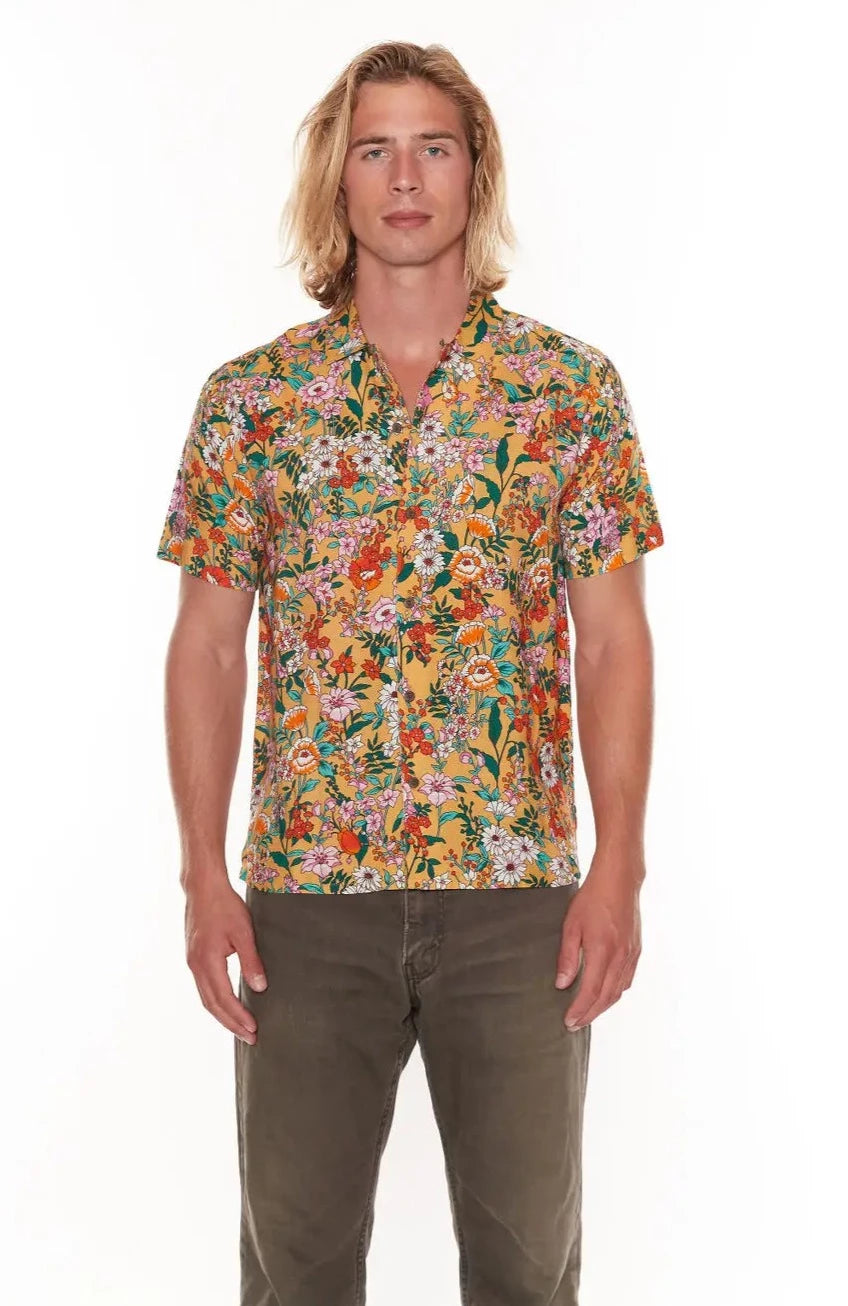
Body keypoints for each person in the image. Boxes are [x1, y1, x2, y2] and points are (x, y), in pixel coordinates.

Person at [156, 39, 665, 1306]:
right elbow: (207, 644)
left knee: (528, 1270)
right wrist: (203, 873)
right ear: (337, 179)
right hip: (306, 897)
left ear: (473, 171)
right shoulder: (254, 403)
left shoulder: (567, 393)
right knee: (296, 1272)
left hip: (517, 896)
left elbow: (613, 638)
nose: (403, 179)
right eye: (374, 149)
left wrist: (619, 863)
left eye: (432, 148)